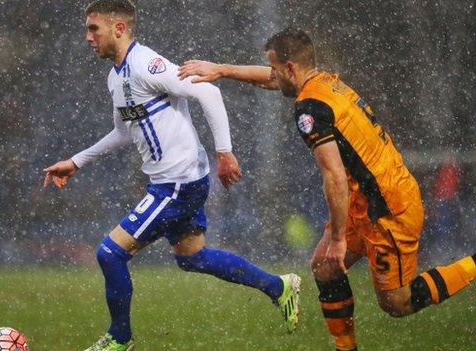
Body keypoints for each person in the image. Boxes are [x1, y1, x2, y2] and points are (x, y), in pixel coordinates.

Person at [178, 28, 476, 351]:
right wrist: (221, 70)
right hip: (366, 200)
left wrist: (337, 238)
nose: (273, 77)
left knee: (396, 303)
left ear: (291, 68)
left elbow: (333, 176)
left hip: (388, 208)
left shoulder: (309, 108)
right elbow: (270, 78)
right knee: (324, 267)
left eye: (277, 69)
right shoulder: (324, 83)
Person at [43, 3, 301, 350]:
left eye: (94, 29)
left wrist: (224, 152)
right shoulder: (115, 77)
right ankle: (279, 287)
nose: (88, 37)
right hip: (176, 181)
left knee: (109, 253)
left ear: (119, 28)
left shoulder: (147, 64)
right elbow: (123, 131)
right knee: (193, 258)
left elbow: (208, 91)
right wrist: (76, 162)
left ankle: (120, 339)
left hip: (177, 183)